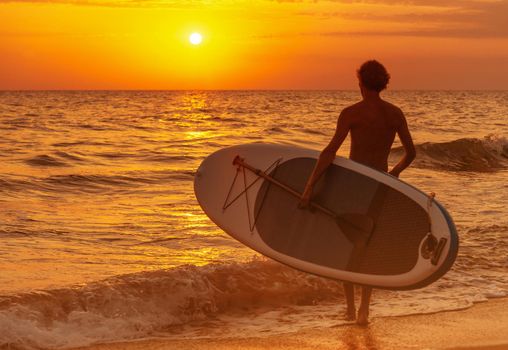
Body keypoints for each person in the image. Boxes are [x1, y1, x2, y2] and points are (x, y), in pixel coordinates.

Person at [299, 60, 416, 325]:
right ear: (384, 83)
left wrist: (309, 187)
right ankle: (364, 309)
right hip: (379, 186)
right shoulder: (395, 114)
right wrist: (394, 174)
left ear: (360, 82)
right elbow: (411, 153)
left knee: (348, 244)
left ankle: (350, 309)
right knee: (367, 243)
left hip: (353, 185)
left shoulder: (351, 113)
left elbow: (330, 152)